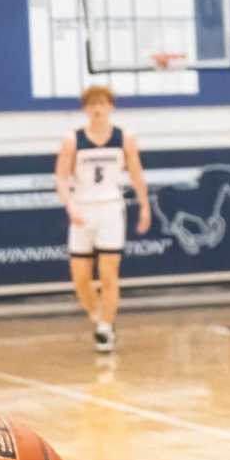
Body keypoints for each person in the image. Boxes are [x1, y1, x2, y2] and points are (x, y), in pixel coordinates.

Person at [53, 84, 150, 353]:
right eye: (92, 104)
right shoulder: (72, 139)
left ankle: (106, 328)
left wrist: (144, 206)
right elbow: (60, 177)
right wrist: (69, 205)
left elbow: (137, 174)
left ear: (111, 107)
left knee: (109, 274)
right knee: (81, 278)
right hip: (82, 209)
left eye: (102, 104)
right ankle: (98, 316)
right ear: (85, 109)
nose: (97, 109)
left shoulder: (125, 138)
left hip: (110, 210)